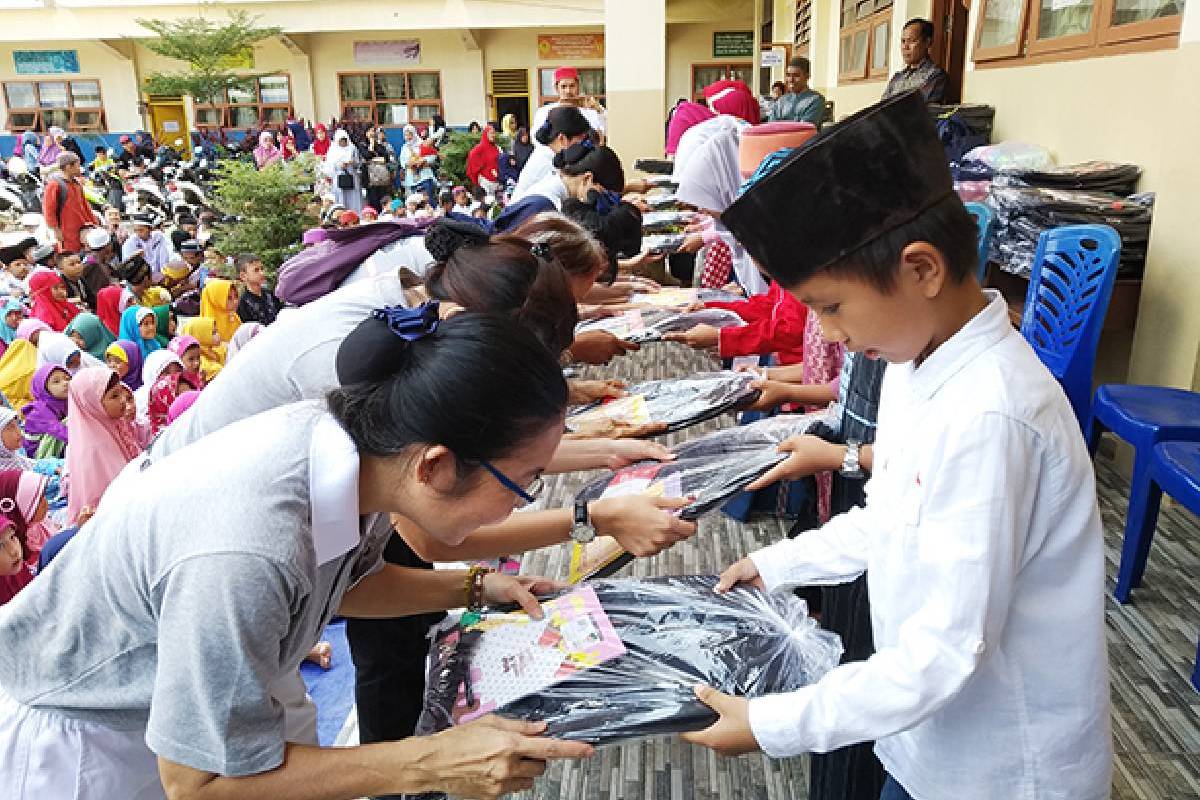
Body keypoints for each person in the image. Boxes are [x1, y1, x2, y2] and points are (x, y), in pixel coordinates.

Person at [681, 92, 1111, 800]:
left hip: (1002, 765)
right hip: (931, 737)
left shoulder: (991, 414)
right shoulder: (918, 362)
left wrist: (771, 723)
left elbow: (944, 653)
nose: (832, 334)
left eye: (831, 306)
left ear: (921, 269)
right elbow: (892, 516)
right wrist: (776, 562)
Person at [0, 311, 596, 800]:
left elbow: (343, 586)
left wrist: (475, 589)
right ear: (436, 466)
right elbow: (198, 782)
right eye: (523, 484)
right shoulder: (252, 547)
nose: (518, 506)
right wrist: (429, 762)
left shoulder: (355, 456)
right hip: (86, 740)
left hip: (170, 713)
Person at [63, 365, 142, 526]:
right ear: (93, 404)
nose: (122, 400)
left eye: (121, 392)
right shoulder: (95, 448)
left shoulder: (114, 425)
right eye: (114, 396)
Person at [512, 104, 593, 204]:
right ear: (562, 138)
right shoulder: (545, 165)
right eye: (580, 141)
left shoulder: (550, 155)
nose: (582, 147)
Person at [41, 152, 99, 254]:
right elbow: (49, 210)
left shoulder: (77, 184)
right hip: (66, 233)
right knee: (71, 256)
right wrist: (56, 230)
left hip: (83, 231)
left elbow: (85, 206)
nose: (79, 168)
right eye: (77, 165)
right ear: (68, 166)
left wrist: (94, 224)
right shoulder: (54, 185)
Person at [531, 66, 607, 142]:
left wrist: (599, 111)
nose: (568, 91)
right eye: (563, 86)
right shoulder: (544, 112)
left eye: (572, 86)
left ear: (578, 87)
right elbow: (536, 140)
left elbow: (604, 134)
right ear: (557, 88)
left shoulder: (591, 111)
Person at [884, 18, 949, 104]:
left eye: (912, 41)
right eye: (903, 41)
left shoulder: (936, 77)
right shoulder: (897, 78)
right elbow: (881, 109)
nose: (905, 47)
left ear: (927, 43)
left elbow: (918, 109)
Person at [20, 364, 70, 458]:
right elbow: (60, 431)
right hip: (36, 456)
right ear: (43, 388)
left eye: (67, 378)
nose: (65, 383)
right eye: (56, 382)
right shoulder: (39, 411)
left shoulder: (66, 402)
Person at [770, 57, 826, 125]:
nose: (791, 80)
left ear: (807, 76)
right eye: (788, 75)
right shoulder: (781, 101)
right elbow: (771, 126)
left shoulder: (816, 100)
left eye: (796, 75)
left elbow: (803, 128)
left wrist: (781, 125)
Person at [236, 253, 283, 325]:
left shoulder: (270, 294)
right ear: (243, 276)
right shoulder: (242, 304)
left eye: (262, 269)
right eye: (256, 270)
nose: (262, 273)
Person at [324, 129, 364, 213]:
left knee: (353, 198)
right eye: (340, 140)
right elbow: (329, 165)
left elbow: (358, 162)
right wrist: (339, 165)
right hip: (339, 177)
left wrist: (351, 162)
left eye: (344, 140)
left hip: (351, 176)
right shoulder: (333, 150)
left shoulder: (352, 148)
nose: (342, 142)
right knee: (341, 198)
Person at [121, 214, 172, 279]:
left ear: (150, 229)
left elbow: (166, 258)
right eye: (135, 230)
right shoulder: (130, 242)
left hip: (161, 276)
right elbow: (126, 265)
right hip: (140, 280)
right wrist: (135, 256)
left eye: (141, 230)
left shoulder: (160, 237)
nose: (138, 233)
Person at [362, 126, 396, 212]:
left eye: (373, 131)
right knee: (373, 201)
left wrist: (372, 159)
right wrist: (371, 145)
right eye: (370, 131)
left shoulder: (381, 146)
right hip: (370, 180)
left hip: (382, 178)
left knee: (384, 199)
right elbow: (366, 156)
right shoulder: (363, 145)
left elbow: (386, 158)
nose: (372, 133)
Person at [466, 126, 501, 193]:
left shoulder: (496, 147)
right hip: (485, 181)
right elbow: (472, 157)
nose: (493, 135)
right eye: (491, 133)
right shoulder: (480, 147)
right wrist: (480, 169)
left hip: (496, 180)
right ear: (486, 134)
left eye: (494, 133)